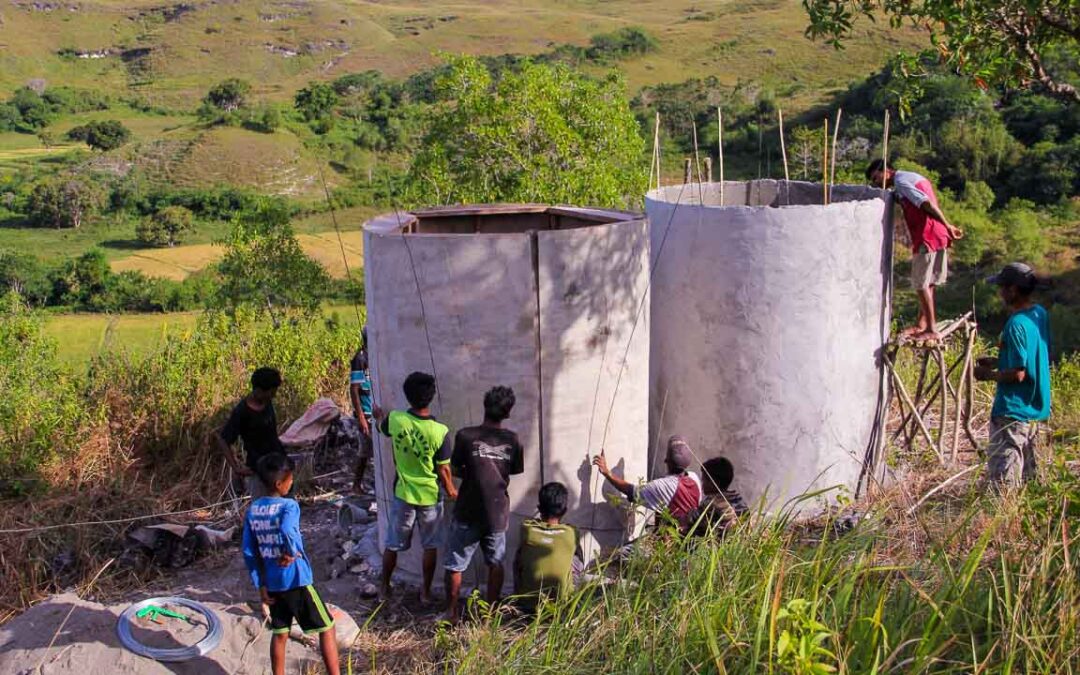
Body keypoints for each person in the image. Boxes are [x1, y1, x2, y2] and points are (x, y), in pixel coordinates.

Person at [241, 453, 340, 675]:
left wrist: (260, 584)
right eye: (290, 478)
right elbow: (287, 529)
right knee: (327, 627)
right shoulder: (289, 506)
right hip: (296, 580)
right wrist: (291, 551)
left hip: (272, 584)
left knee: (280, 633)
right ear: (279, 483)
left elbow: (248, 551)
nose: (292, 482)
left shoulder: (253, 510)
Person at [372, 371, 457, 603]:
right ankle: (426, 592)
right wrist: (450, 489)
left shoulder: (396, 420)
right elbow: (443, 469)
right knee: (430, 546)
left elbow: (382, 427)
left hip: (403, 494)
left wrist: (379, 415)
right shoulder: (440, 431)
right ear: (431, 397)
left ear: (407, 396)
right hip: (429, 496)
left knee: (393, 544)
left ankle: (384, 587)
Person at [444, 386, 524, 623]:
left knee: (455, 564)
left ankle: (452, 613)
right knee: (495, 562)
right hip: (497, 513)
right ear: (508, 412)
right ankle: (490, 613)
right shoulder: (513, 441)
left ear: (484, 406)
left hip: (467, 509)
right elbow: (512, 470)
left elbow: (455, 468)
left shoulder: (465, 436)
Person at [866, 159, 964, 341]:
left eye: (876, 177)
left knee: (920, 283)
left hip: (927, 235)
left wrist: (947, 224)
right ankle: (922, 324)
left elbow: (925, 204)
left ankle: (931, 329)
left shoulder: (902, 182)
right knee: (929, 282)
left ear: (886, 170)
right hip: (937, 234)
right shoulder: (909, 179)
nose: (877, 182)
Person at [974, 262, 1051, 488]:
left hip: (1012, 412)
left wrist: (988, 375)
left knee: (1003, 482)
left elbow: (1018, 374)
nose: (999, 293)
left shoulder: (1015, 324)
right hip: (1035, 409)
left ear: (1013, 290)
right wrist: (1000, 360)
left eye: (1002, 287)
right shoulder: (1039, 314)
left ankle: (1003, 522)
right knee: (1031, 482)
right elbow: (1031, 355)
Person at [592, 435, 703, 534]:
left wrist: (607, 473)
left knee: (621, 555)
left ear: (667, 461)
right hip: (691, 537)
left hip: (672, 542)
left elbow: (631, 491)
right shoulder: (694, 478)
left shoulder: (663, 486)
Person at [215, 367, 285, 499]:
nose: (274, 396)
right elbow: (224, 439)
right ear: (259, 390)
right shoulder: (242, 412)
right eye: (271, 392)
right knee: (264, 512)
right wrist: (236, 468)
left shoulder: (267, 402)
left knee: (287, 508)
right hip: (258, 471)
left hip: (279, 464)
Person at [513, 482, 580, 610]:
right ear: (565, 510)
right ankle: (570, 599)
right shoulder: (572, 533)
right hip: (560, 606)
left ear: (538, 508)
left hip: (529, 606)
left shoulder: (526, 529)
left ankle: (520, 597)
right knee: (575, 558)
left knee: (519, 556)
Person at [691, 457, 748, 538]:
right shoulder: (738, 499)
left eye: (704, 480)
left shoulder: (710, 504)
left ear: (714, 482)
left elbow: (693, 524)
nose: (702, 484)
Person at [349, 327, 374, 493]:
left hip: (374, 410)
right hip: (365, 411)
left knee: (371, 450)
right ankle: (356, 484)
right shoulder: (360, 358)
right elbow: (354, 389)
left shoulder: (374, 356)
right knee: (365, 451)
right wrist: (361, 418)